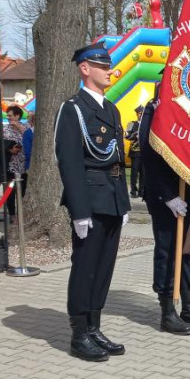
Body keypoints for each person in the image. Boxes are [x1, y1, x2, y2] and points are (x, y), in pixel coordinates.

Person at [54, 42, 130, 362]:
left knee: (104, 267)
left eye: (108, 64)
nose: (108, 70)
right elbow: (69, 162)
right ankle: (78, 333)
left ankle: (94, 325)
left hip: (111, 197)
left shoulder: (111, 108)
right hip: (91, 197)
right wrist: (79, 210)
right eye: (102, 65)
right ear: (85, 69)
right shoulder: (72, 108)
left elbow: (118, 158)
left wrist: (124, 203)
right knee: (85, 267)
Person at [139, 94, 190, 334]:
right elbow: (149, 155)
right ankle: (167, 310)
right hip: (169, 196)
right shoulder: (155, 110)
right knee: (169, 251)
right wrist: (168, 195)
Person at [1, 104, 28, 222]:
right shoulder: (4, 129)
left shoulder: (26, 127)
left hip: (23, 165)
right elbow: (0, 144)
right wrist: (9, 149)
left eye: (10, 115)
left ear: (17, 116)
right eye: (7, 115)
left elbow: (29, 138)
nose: (8, 117)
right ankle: (12, 214)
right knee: (10, 192)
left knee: (23, 191)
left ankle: (22, 214)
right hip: (10, 164)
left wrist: (19, 128)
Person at [126, 105, 144, 199]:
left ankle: (142, 190)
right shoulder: (132, 124)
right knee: (134, 172)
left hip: (144, 152)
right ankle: (133, 190)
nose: (141, 115)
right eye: (140, 113)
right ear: (137, 114)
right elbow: (126, 136)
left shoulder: (147, 124)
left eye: (142, 113)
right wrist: (134, 135)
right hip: (135, 151)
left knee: (143, 173)